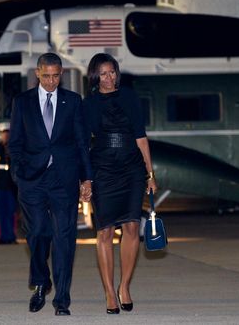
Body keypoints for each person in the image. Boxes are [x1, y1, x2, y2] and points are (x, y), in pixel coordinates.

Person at [8, 53, 93, 316]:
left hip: (63, 180)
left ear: (62, 73)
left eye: (56, 76)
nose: (51, 81)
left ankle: (62, 300)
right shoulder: (22, 102)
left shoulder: (73, 101)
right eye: (46, 76)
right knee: (38, 233)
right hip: (32, 180)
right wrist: (19, 174)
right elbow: (15, 143)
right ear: (37, 73)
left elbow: (81, 143)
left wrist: (86, 178)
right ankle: (42, 282)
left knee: (65, 238)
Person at [82, 53, 158, 314]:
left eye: (112, 71)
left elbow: (141, 137)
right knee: (104, 231)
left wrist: (150, 173)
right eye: (103, 73)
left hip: (132, 168)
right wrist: (86, 178)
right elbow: (82, 144)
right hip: (103, 168)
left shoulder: (129, 97)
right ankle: (108, 292)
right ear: (95, 76)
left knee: (131, 226)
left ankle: (124, 286)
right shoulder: (88, 104)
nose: (109, 77)